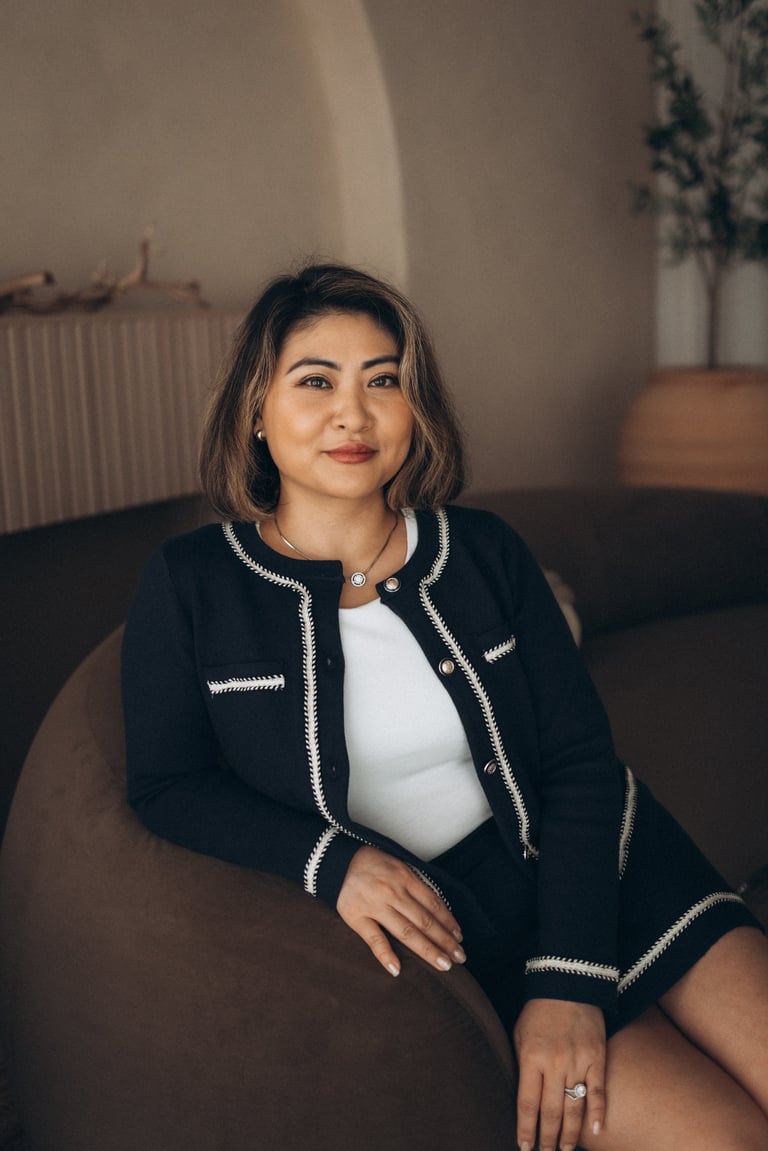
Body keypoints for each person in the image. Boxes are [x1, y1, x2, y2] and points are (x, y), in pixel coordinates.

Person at [122, 262, 768, 1151]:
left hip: (613, 866)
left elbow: (580, 761)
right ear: (256, 414)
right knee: (727, 1139)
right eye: (316, 381)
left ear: (413, 410)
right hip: (474, 925)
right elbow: (165, 782)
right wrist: (332, 862)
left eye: (383, 380)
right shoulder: (193, 584)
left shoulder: (484, 552)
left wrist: (573, 980)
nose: (353, 412)